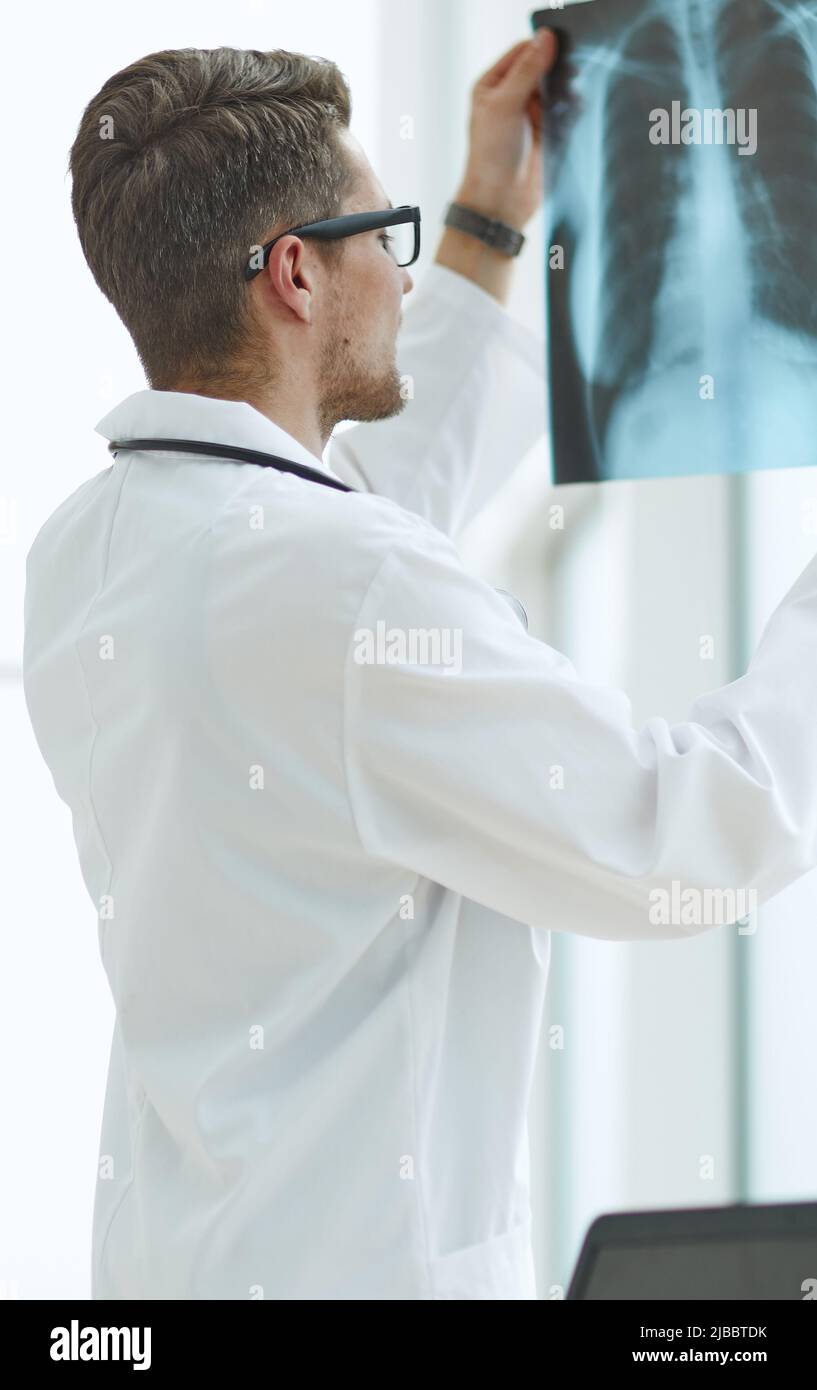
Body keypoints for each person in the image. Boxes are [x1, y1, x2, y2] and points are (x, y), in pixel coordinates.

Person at [21, 33, 817, 1301]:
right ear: (294, 272)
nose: (398, 274)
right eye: (381, 236)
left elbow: (347, 529)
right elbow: (693, 834)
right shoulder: (337, 590)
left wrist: (485, 217)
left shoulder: (88, 552)